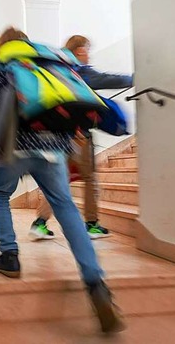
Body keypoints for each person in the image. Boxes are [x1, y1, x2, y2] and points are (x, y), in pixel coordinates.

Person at [0, 27, 125, 334]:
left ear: (1, 46)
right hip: (55, 148)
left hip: (16, 146)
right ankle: (96, 283)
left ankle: (9, 255)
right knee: (66, 207)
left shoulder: (3, 66)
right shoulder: (49, 65)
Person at [29, 35, 133, 240]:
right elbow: (106, 79)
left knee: (61, 180)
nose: (89, 54)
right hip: (78, 136)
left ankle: (39, 223)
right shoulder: (79, 71)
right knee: (89, 178)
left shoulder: (57, 70)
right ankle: (92, 225)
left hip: (58, 135)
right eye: (87, 49)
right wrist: (134, 78)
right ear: (78, 51)